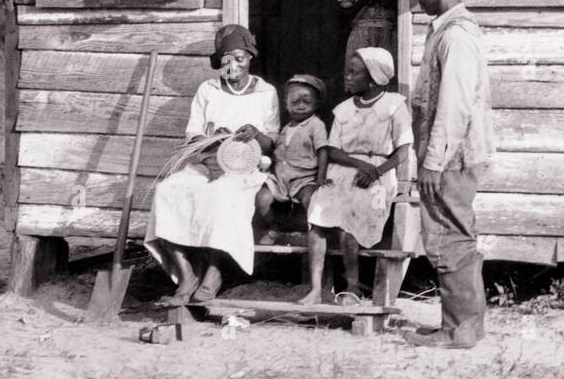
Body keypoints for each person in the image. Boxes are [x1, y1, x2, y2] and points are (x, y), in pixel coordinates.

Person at [145, 24, 280, 305]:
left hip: (246, 169)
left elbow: (272, 142)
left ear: (250, 58)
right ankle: (186, 276)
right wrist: (211, 139)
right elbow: (192, 134)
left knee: (221, 196)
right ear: (220, 62)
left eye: (239, 58)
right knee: (167, 191)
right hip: (206, 163)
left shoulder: (265, 92)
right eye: (227, 59)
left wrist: (255, 133)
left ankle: (213, 275)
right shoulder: (207, 90)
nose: (234, 65)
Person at [403, 0, 494, 350]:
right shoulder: (446, 30)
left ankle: (458, 330)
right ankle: (466, 325)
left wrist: (433, 161)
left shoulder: (455, 35)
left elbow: (454, 105)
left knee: (447, 237)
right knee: (457, 234)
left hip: (452, 157)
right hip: (454, 153)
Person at [301, 47, 411, 306]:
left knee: (352, 214)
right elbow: (333, 150)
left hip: (379, 177)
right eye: (347, 71)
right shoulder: (343, 110)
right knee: (318, 211)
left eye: (354, 72)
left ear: (372, 77)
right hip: (345, 168)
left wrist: (376, 171)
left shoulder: (394, 106)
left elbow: (403, 151)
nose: (347, 77)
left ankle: (352, 287)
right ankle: (316, 289)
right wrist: (360, 165)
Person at [255, 74, 328, 243]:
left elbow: (323, 150)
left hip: (304, 179)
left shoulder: (316, 125)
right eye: (295, 102)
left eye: (306, 101)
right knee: (261, 198)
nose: (300, 106)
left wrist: (321, 177)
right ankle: (273, 228)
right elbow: (278, 152)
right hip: (280, 179)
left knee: (311, 199)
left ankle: (314, 234)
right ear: (286, 104)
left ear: (316, 103)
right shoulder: (286, 128)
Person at [337, 0, 398, 72]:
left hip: (388, 32)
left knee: (385, 72)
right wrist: (362, 1)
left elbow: (404, 6)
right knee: (359, 71)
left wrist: (388, 1)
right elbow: (344, 15)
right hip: (361, 33)